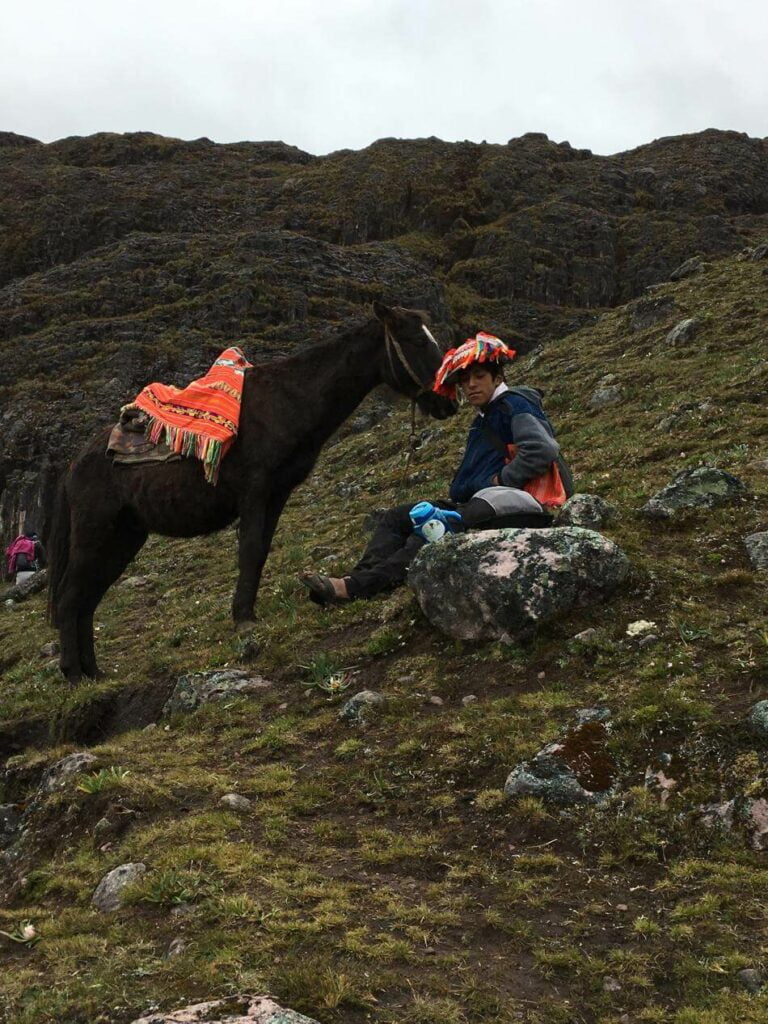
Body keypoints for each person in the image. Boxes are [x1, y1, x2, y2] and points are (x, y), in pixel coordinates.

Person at [300, 332, 572, 605]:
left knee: (431, 531)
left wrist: (501, 479)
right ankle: (356, 580)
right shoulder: (486, 415)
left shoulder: (514, 404)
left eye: (479, 376)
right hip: (476, 501)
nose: (471, 385)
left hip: (508, 504)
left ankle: (353, 588)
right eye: (465, 381)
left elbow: (542, 449)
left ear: (498, 378)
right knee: (395, 518)